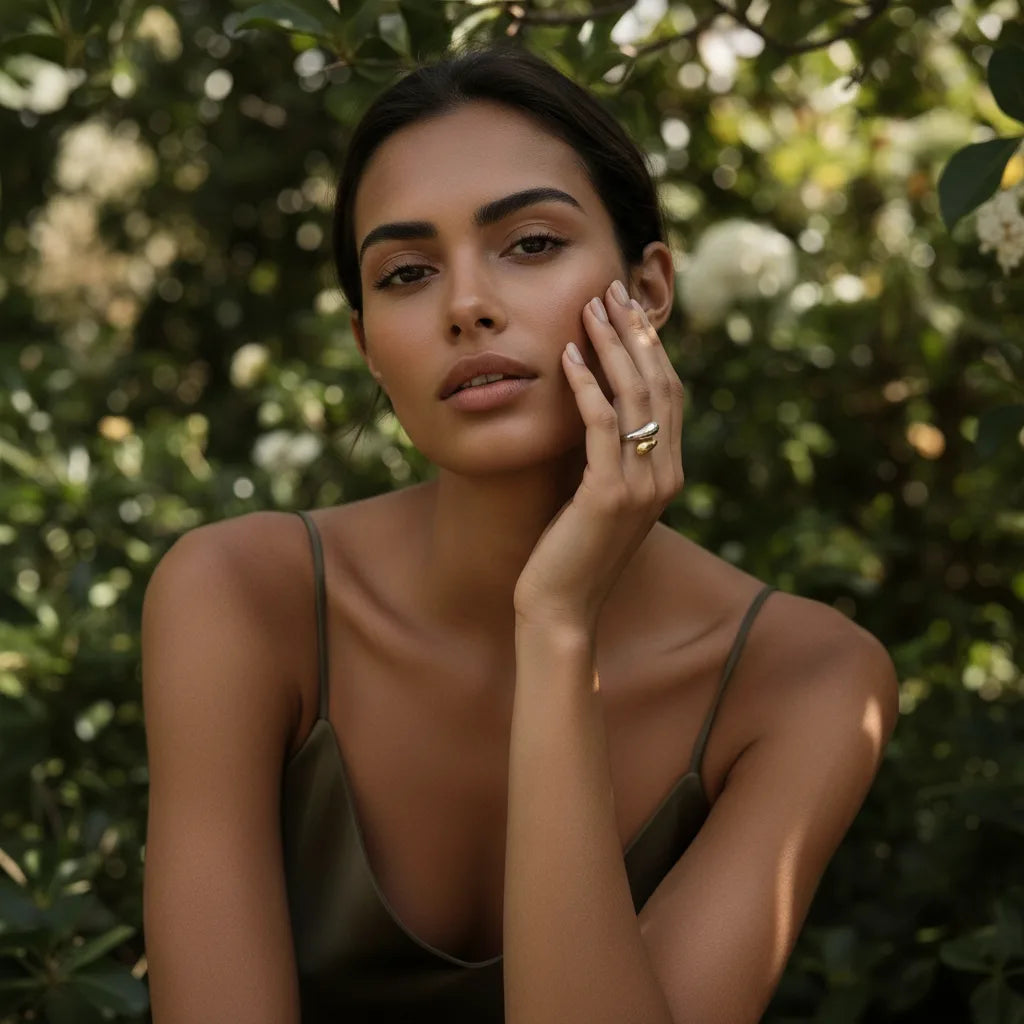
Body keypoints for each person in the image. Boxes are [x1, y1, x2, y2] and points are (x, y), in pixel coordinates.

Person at [140, 44, 899, 1024]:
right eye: (407, 272)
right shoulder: (238, 596)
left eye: (530, 244)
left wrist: (555, 622)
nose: (466, 305)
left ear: (650, 288)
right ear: (369, 344)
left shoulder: (809, 682)